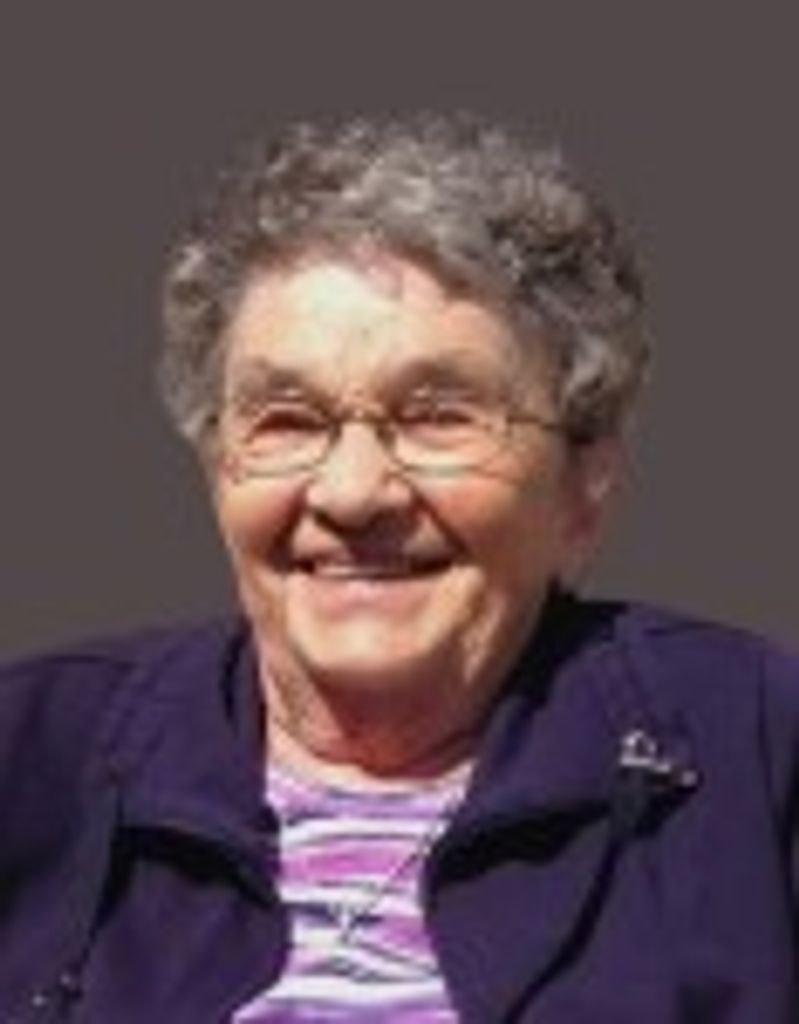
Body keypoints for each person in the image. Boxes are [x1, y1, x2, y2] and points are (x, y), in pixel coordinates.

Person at [1, 113, 797, 1024]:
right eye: (286, 420)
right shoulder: (31, 757)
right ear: (217, 464)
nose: (352, 493)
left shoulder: (754, 750)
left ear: (584, 483)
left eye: (438, 416)